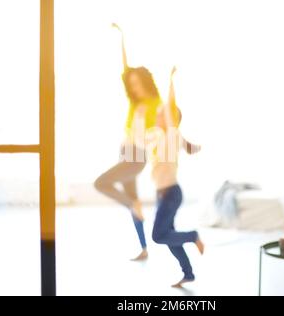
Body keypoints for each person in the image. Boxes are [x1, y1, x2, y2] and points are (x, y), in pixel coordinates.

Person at [94, 23, 162, 261]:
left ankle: (131, 206)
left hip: (137, 157)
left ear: (145, 82)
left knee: (100, 183)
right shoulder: (134, 103)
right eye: (131, 84)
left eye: (137, 83)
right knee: (135, 203)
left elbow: (163, 129)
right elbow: (125, 69)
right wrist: (121, 37)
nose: (134, 86)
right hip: (125, 153)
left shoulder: (156, 103)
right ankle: (144, 249)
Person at [135, 67, 204, 287]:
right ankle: (188, 273)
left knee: (158, 236)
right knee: (168, 236)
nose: (157, 115)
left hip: (170, 194)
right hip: (163, 194)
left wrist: (170, 80)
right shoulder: (159, 137)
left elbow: (169, 107)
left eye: (161, 114)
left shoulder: (172, 134)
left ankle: (193, 236)